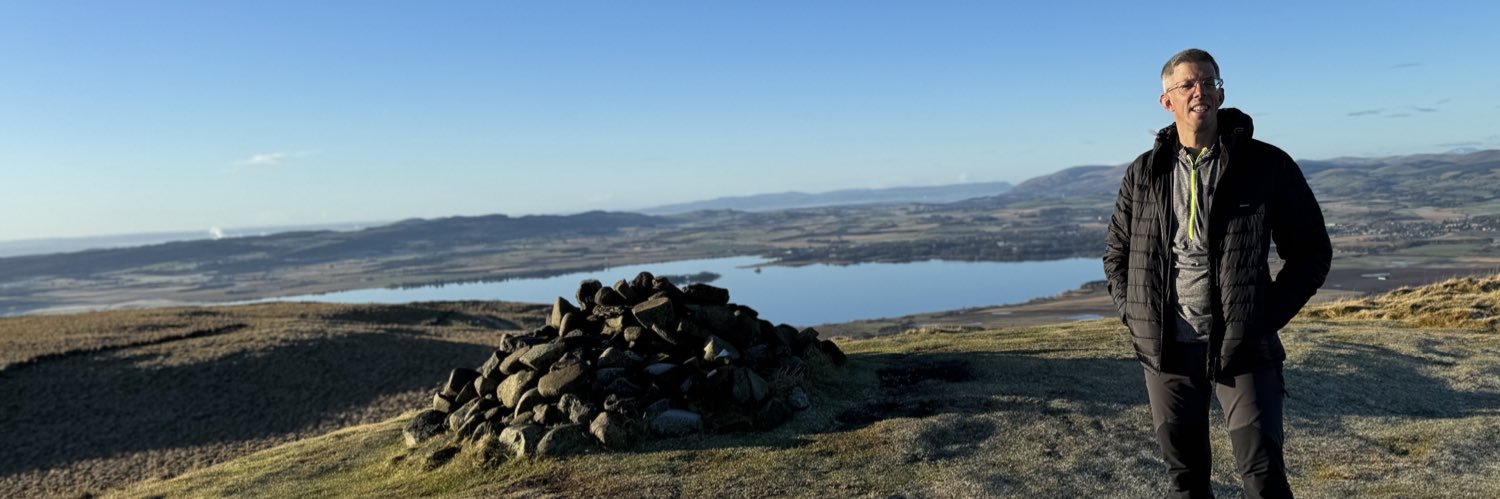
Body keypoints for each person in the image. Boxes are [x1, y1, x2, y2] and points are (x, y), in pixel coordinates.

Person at [1102, 48, 1332, 499]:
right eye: (1188, 84)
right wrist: (1136, 314)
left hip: (1244, 349)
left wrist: (1263, 317)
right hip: (1167, 350)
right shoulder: (1144, 173)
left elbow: (1311, 251)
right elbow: (1117, 254)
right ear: (1167, 100)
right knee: (1185, 481)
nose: (1200, 92)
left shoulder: (1265, 165)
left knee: (1263, 478)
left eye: (1209, 82)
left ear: (1221, 92)